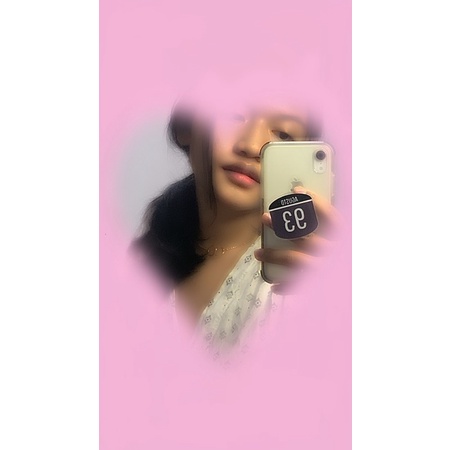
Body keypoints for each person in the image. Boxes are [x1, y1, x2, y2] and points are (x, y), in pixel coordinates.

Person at [134, 93, 340, 362]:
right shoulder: (142, 259)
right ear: (187, 127)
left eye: (284, 134)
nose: (252, 145)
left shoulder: (292, 280)